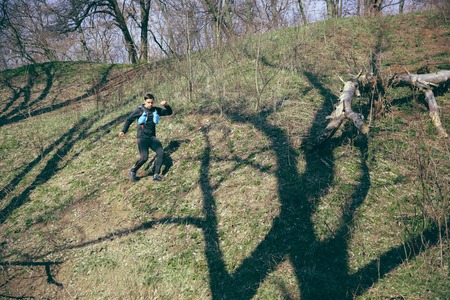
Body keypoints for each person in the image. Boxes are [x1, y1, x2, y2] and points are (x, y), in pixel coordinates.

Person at [119, 93, 173, 182]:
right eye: (148, 102)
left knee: (161, 153)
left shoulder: (155, 110)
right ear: (145, 102)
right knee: (144, 158)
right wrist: (123, 130)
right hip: (142, 138)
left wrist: (167, 106)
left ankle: (156, 175)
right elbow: (129, 120)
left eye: (152, 102)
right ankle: (133, 171)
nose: (150, 104)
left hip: (152, 138)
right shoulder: (139, 110)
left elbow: (169, 112)